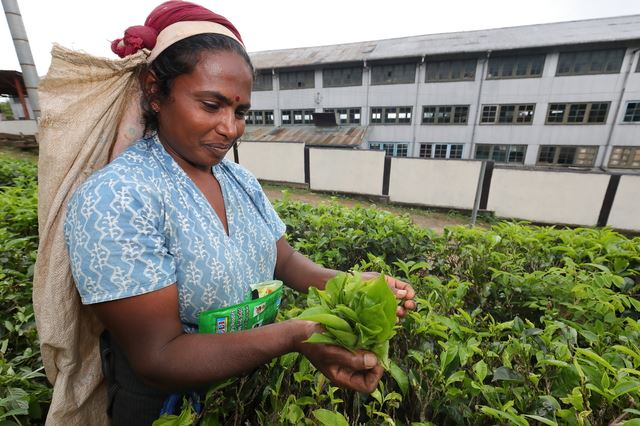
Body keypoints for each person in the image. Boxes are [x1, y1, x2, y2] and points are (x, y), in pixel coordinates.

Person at [62, 1, 416, 424]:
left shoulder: (236, 179)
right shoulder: (118, 197)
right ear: (155, 91)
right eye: (211, 106)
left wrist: (352, 285)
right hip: (162, 409)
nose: (230, 128)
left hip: (242, 388)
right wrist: (298, 335)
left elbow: (281, 258)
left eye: (240, 111)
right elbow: (158, 358)